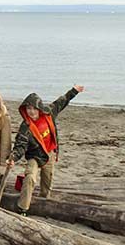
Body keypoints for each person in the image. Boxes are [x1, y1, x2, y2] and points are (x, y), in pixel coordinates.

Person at [7, 85, 84, 215]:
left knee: (47, 182)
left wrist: (74, 91)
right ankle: (23, 208)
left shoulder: (49, 113)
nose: (31, 112)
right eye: (28, 108)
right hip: (34, 157)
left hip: (49, 153)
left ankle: (44, 200)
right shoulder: (25, 127)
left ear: (39, 108)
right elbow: (20, 146)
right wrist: (13, 158)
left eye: (34, 108)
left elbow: (62, 101)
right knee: (30, 177)